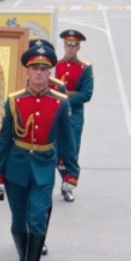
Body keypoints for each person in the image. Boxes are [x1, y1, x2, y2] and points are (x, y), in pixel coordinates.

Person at [0, 44, 79, 261]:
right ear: (27, 72)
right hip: (15, 169)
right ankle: (23, 258)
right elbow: (4, 140)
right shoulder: (14, 101)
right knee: (19, 223)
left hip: (43, 167)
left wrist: (71, 173)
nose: (39, 73)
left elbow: (67, 140)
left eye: (44, 69)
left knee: (38, 219)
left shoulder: (60, 103)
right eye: (35, 69)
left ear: (50, 72)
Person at [54, 30, 93, 197]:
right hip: (55, 112)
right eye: (68, 45)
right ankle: (60, 180)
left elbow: (86, 94)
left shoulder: (85, 68)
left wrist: (65, 100)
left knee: (71, 150)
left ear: (78, 47)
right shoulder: (56, 65)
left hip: (74, 114)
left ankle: (68, 185)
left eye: (74, 46)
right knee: (55, 149)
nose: (70, 49)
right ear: (63, 46)